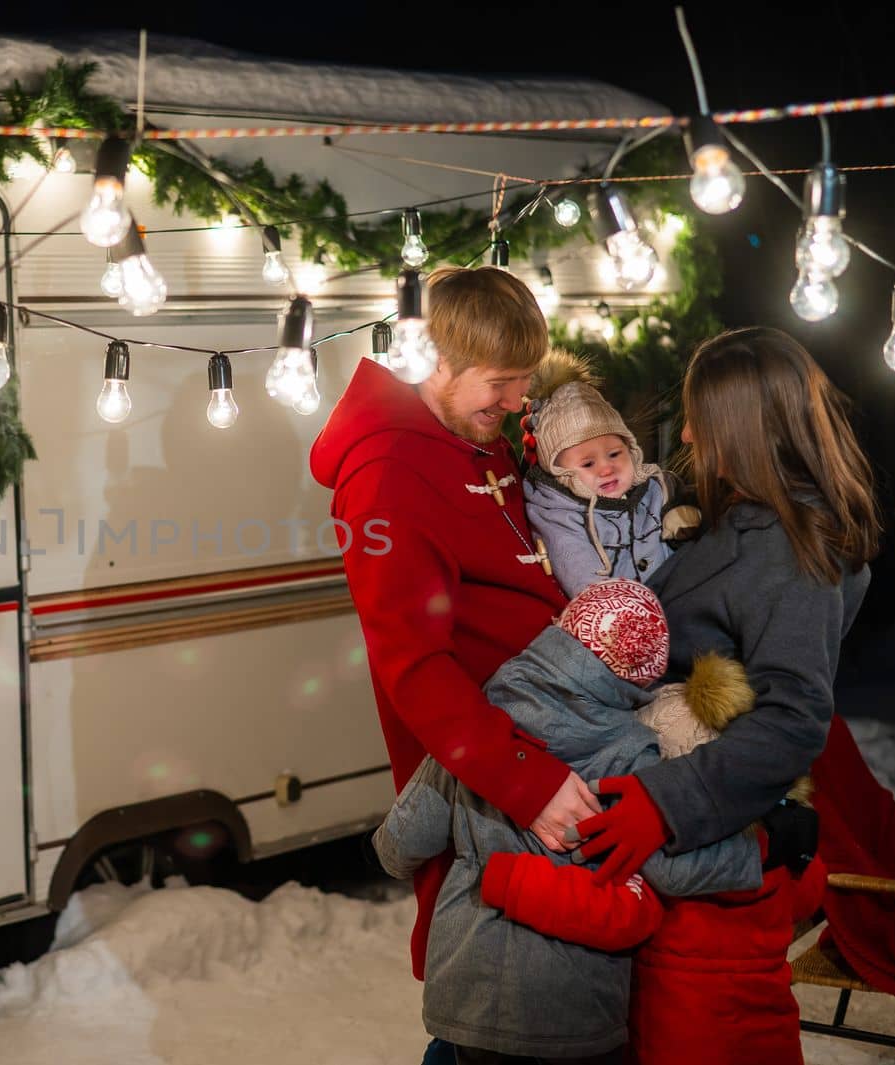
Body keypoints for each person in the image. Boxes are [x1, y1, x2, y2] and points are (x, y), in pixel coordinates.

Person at [574, 328, 895, 1007]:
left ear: (739, 427)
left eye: (699, 418)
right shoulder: (747, 526)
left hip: (730, 787)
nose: (687, 436)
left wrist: (668, 805)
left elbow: (792, 713)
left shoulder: (784, 549)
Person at [311, 267, 597, 1065]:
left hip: (543, 750)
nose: (513, 400)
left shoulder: (473, 437)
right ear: (433, 357)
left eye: (521, 382)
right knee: (494, 1009)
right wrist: (525, 780)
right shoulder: (389, 473)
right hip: (492, 790)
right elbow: (414, 667)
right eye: (499, 382)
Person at [372, 579, 762, 1065]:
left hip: (469, 995)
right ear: (640, 682)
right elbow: (672, 869)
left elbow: (399, 845)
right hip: (575, 1009)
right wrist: (761, 849)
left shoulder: (478, 725)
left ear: (561, 628)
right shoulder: (631, 756)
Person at [484, 653, 827, 1065]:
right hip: (769, 1038)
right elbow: (809, 894)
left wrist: (511, 878)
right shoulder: (776, 852)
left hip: (678, 1044)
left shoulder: (662, 853)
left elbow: (612, 914)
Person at [519, 352, 693, 597]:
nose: (606, 468)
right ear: (560, 473)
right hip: (617, 621)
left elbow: (687, 507)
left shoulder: (656, 489)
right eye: (588, 464)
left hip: (677, 606)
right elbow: (584, 580)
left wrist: (682, 514)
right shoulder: (560, 516)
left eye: (614, 454)